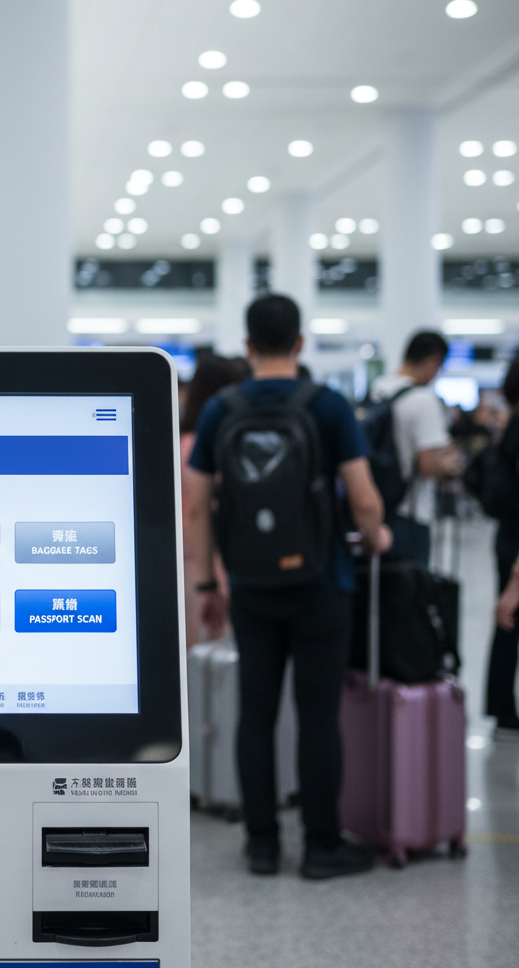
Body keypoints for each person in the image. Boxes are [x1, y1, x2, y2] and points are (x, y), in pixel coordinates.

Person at [185, 293, 392, 880]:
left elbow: (196, 507)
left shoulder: (221, 410)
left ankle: (262, 845)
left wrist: (207, 582)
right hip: (321, 582)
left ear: (248, 346)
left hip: (250, 584)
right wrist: (377, 538)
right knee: (317, 715)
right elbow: (364, 497)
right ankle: (322, 847)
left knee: (256, 713)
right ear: (300, 344)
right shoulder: (327, 406)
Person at [368, 331, 461, 566]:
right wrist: (449, 465)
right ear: (433, 361)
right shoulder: (423, 399)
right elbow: (427, 464)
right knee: (411, 594)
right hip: (410, 514)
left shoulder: (378, 389)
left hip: (376, 507)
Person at [180, 353, 250, 648]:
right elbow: (202, 511)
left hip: (182, 559)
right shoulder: (208, 447)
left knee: (189, 656)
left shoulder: (178, 440)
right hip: (208, 559)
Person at [483, 358, 519, 740]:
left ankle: (501, 705)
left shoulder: (511, 423)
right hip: (515, 540)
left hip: (508, 534)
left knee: (508, 625)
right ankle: (503, 707)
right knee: (509, 620)